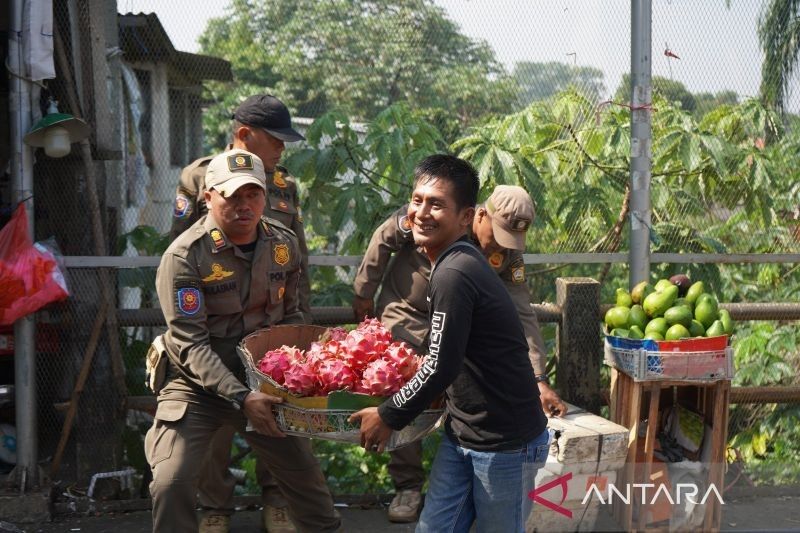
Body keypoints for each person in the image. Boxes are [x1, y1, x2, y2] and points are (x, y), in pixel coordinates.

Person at [350, 155, 551, 533]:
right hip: (463, 434)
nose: (422, 212)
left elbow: (440, 364)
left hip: (504, 443)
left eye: (437, 204)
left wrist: (388, 416)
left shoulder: (456, 271)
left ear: (465, 217)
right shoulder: (455, 261)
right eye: (417, 200)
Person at [147, 149, 340, 533]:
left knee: (310, 488)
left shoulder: (283, 244)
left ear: (265, 197)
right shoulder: (185, 256)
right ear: (209, 197)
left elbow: (296, 316)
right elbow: (189, 345)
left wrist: (287, 378)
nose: (244, 205)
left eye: (253, 194)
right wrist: (241, 396)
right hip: (196, 388)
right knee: (171, 483)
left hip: (265, 387)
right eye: (232, 195)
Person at [170, 95, 308, 532]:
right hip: (214, 324)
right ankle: (214, 506)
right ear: (244, 136)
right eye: (275, 140)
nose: (281, 150)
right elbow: (181, 248)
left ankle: (277, 499)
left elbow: (295, 254)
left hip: (269, 322)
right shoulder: (196, 177)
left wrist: (298, 319)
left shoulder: (283, 184)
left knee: (279, 412)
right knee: (214, 425)